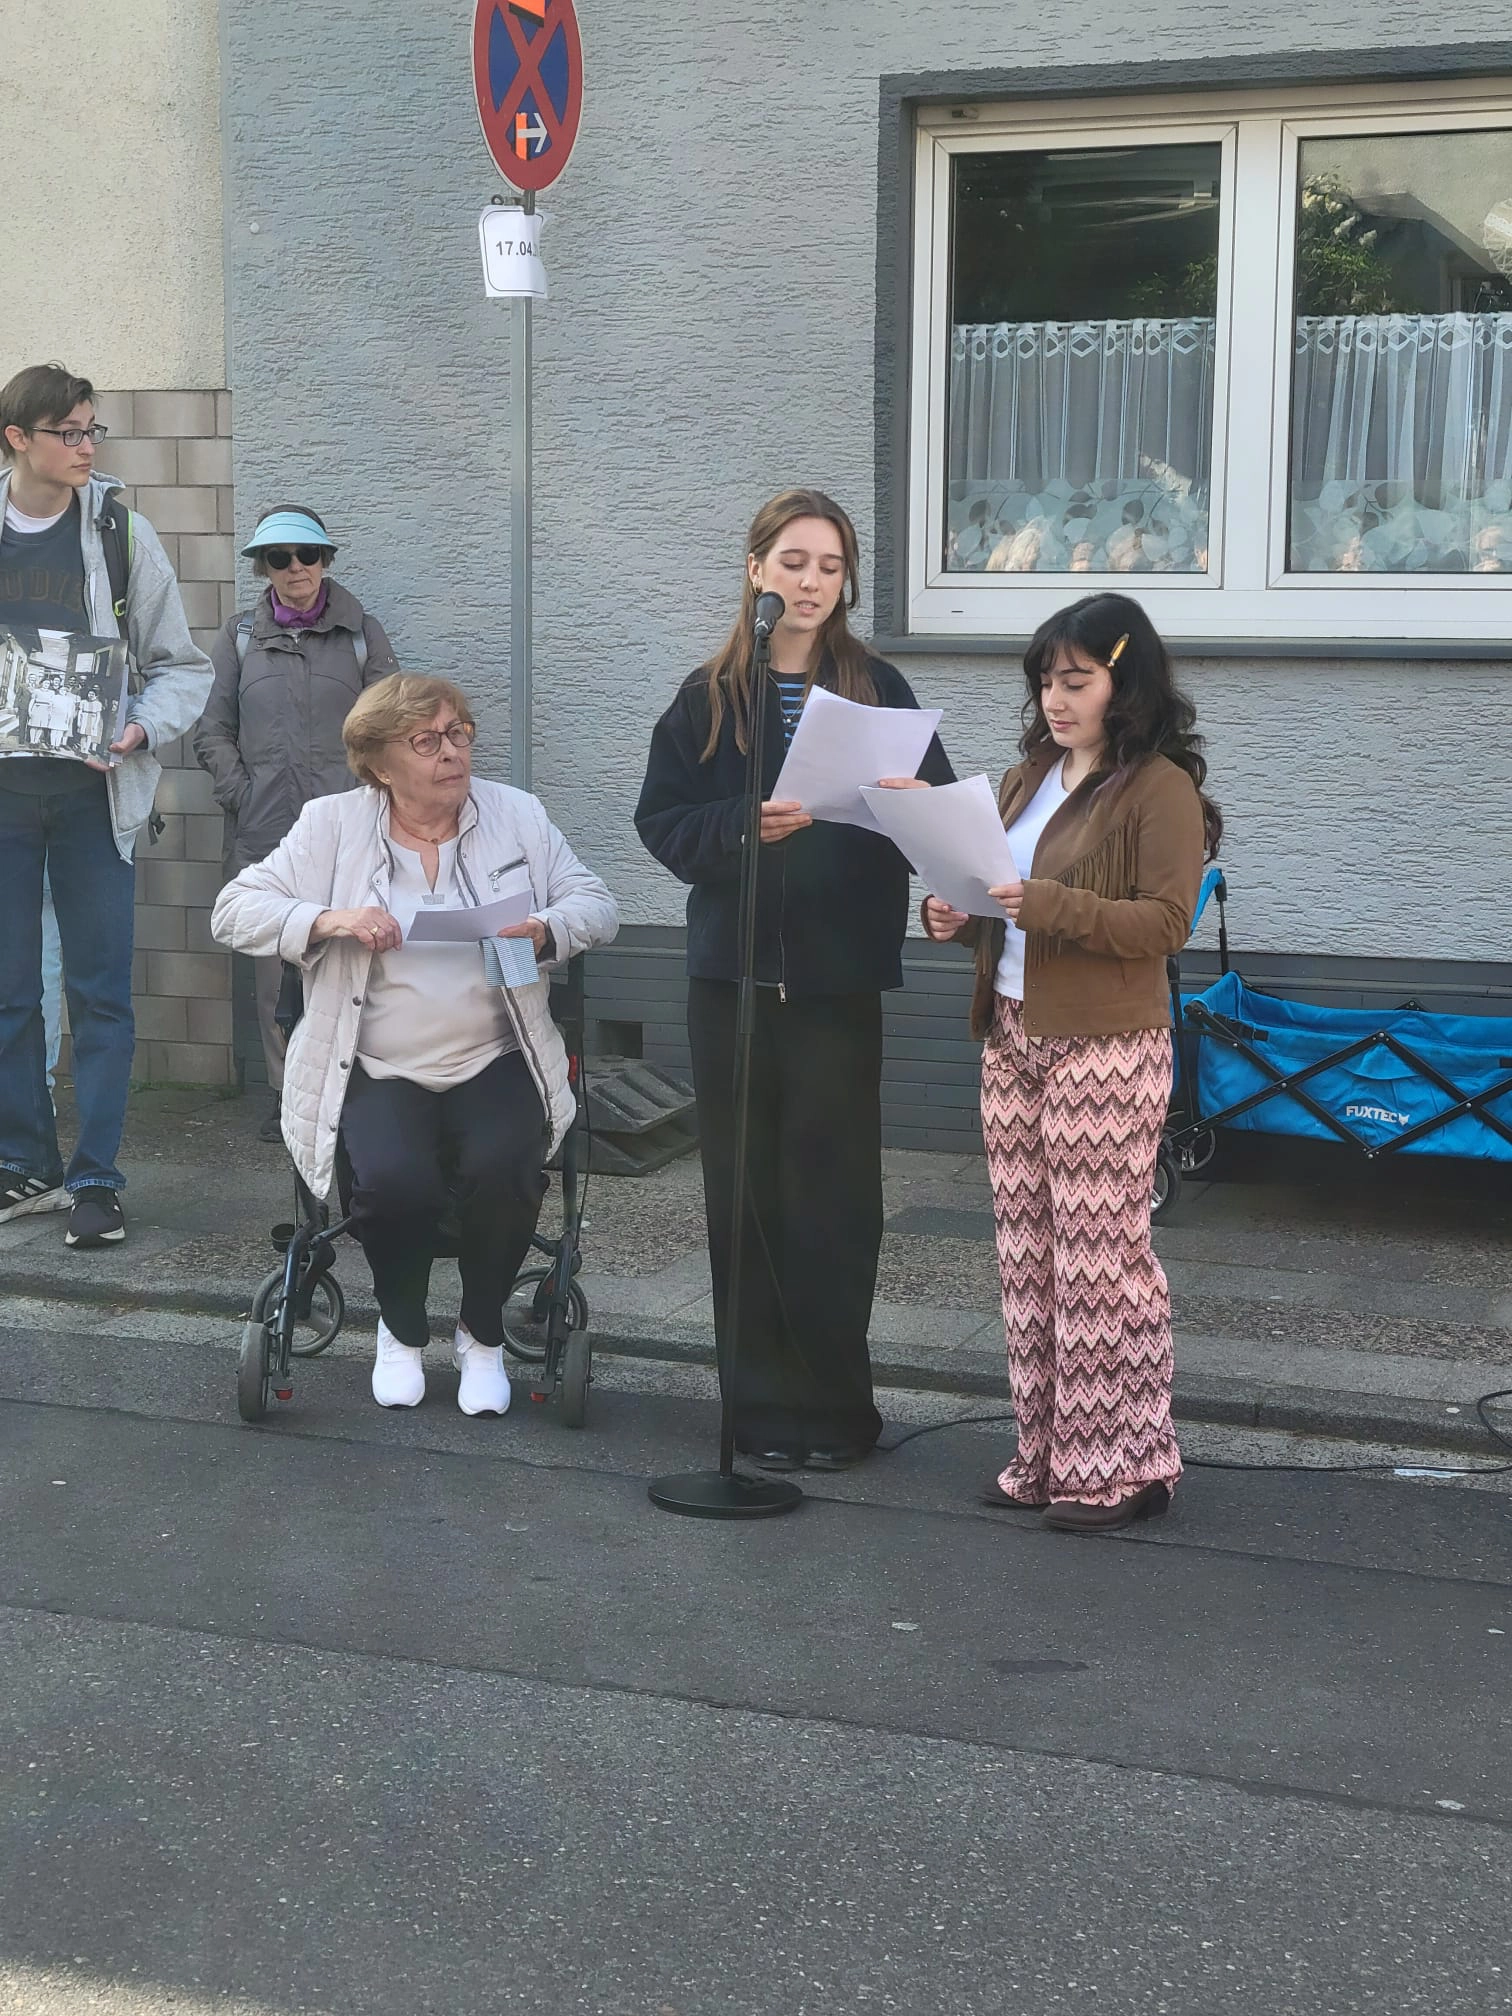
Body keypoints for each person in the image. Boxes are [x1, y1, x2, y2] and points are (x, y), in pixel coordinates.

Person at [635, 487, 953, 1473]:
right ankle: (758, 1413)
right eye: (794, 562)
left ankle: (836, 1412)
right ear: (756, 569)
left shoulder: (877, 687)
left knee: (834, 1200)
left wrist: (922, 827)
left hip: (836, 983)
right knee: (747, 1197)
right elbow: (661, 824)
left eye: (831, 566)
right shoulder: (708, 695)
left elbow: (940, 816)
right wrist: (743, 826)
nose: (812, 582)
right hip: (730, 982)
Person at [211, 674, 618, 1414]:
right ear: (378, 763)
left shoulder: (516, 815)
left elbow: (595, 901)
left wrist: (546, 929)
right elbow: (234, 910)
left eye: (458, 733)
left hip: (496, 1053)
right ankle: (400, 1332)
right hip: (377, 1062)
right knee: (394, 1181)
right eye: (425, 741)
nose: (451, 752)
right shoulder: (332, 824)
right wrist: (330, 920)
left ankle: (482, 1335)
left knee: (505, 1168)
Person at [919, 591, 1218, 1533]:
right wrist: (953, 915)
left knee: (1100, 1261)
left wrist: (1043, 903)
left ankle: (1123, 1467)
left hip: (1107, 1046)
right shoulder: (1027, 776)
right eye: (1047, 680)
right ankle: (1044, 1454)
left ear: (1126, 684)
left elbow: (1165, 924)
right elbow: (996, 900)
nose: (1056, 699)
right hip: (1012, 1033)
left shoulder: (1159, 788)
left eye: (1078, 681)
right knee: (1026, 1257)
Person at [0, 361, 213, 1246]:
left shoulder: (123, 532)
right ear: (18, 439)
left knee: (100, 996)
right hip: (4, 803)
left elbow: (182, 667)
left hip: (96, 800)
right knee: (9, 994)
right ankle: (25, 1165)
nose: (88, 446)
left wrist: (140, 728)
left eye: (94, 430)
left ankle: (95, 1176)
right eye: (70, 432)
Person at [194, 505, 399, 1142]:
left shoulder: (362, 634)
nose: (295, 568)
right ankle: (289, 1101)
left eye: (307, 555)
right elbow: (212, 730)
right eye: (278, 558)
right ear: (264, 567)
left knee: (353, 963)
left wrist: (367, 798)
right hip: (265, 831)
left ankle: (356, 1093)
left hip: (348, 832)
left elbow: (393, 727)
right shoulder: (238, 638)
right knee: (273, 977)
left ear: (325, 560)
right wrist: (241, 793)